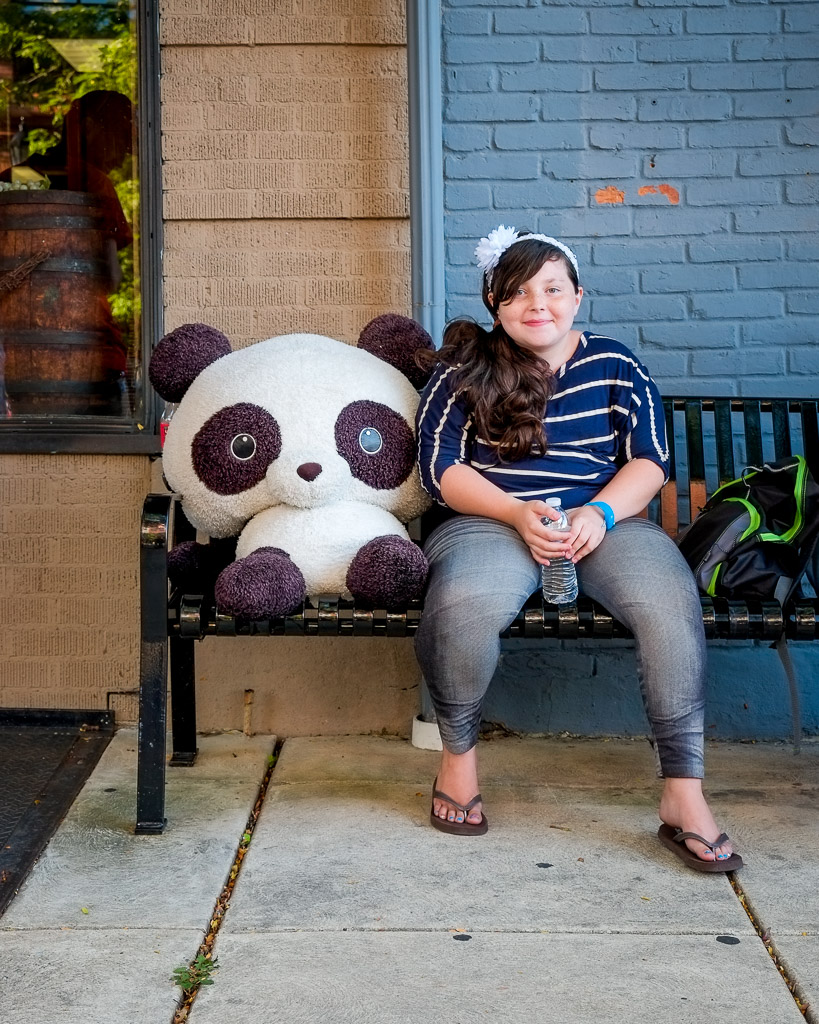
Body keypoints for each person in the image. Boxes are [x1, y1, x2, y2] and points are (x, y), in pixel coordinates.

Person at [414, 225, 742, 873]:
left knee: (666, 601)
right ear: (494, 303)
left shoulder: (615, 365)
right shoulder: (463, 371)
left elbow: (649, 460)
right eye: (517, 293)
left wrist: (599, 511)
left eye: (552, 289)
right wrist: (513, 510)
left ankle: (682, 792)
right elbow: (437, 467)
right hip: (490, 523)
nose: (537, 304)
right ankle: (457, 763)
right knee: (463, 604)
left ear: (577, 297)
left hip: (602, 526)